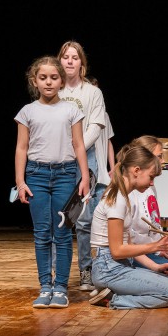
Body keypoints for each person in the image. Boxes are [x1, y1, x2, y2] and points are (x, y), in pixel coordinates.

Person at [14, 55, 90, 309]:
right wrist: (20, 181)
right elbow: (21, 148)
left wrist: (84, 177)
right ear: (34, 81)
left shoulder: (71, 110)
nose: (48, 82)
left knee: (63, 232)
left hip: (65, 175)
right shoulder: (27, 112)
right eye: (43, 77)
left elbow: (78, 145)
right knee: (42, 233)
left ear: (61, 81)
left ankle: (61, 288)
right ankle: (45, 286)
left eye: (54, 77)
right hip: (36, 175)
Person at [88, 145, 168, 309]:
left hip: (118, 265)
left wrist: (156, 267)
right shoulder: (117, 199)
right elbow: (117, 251)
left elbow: (129, 244)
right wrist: (155, 246)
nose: (152, 183)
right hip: (108, 269)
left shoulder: (123, 197)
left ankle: (113, 293)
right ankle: (112, 300)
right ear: (136, 170)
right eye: (151, 177)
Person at [58, 42, 109, 293]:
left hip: (85, 156)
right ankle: (57, 273)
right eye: (65, 57)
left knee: (84, 218)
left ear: (82, 63)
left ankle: (86, 270)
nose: (70, 61)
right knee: (59, 216)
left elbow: (96, 126)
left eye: (74, 57)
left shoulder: (92, 93)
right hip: (57, 156)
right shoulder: (54, 90)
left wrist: (75, 150)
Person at [121, 135, 168, 293]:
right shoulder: (130, 191)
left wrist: (164, 245)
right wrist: (156, 248)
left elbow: (154, 223)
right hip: (140, 253)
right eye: (159, 156)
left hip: (153, 250)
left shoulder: (150, 187)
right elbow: (130, 237)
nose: (162, 161)